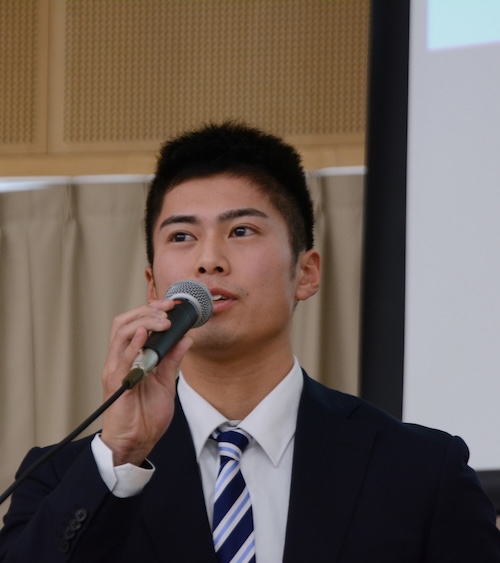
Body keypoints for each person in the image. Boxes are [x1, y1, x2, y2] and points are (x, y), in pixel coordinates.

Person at [0, 121, 499, 563]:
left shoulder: (421, 471)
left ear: (306, 272)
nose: (209, 260)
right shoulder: (65, 477)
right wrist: (121, 453)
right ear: (154, 286)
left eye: (241, 230)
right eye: (181, 236)